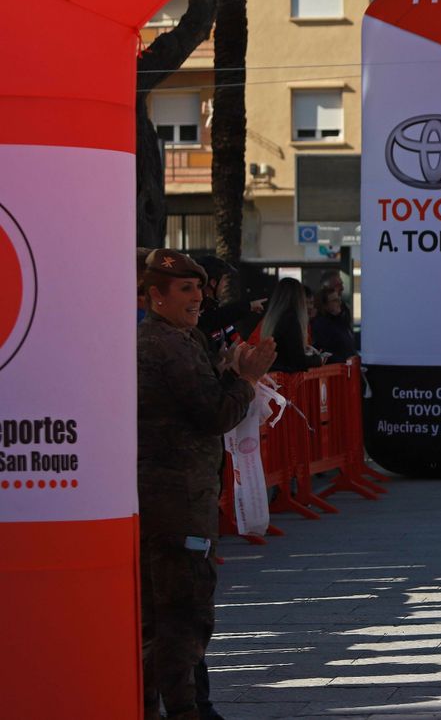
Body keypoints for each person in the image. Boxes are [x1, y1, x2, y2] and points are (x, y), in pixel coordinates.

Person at [138, 249, 277, 719]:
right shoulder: (168, 345)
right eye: (185, 289)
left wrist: (230, 371)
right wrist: (247, 380)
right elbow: (214, 413)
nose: (197, 297)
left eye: (199, 287)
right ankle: (185, 710)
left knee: (159, 616)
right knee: (183, 614)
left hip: (170, 499)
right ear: (155, 296)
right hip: (177, 502)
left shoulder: (175, 338)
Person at [258, 278, 326, 373]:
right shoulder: (291, 319)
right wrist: (318, 359)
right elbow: (298, 362)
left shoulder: (273, 318)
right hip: (286, 377)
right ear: (299, 298)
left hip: (272, 375)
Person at [309, 286, 358, 362]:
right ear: (324, 305)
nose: (339, 303)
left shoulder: (341, 321)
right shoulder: (321, 325)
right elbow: (325, 351)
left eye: (339, 299)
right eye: (335, 300)